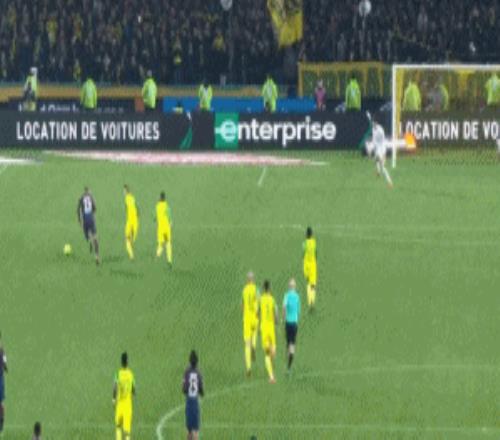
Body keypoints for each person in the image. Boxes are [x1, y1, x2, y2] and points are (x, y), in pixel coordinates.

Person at [113, 352, 135, 440]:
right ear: (127, 362)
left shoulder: (118, 374)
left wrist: (113, 399)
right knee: (127, 432)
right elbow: (133, 390)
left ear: (121, 362)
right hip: (128, 405)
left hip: (120, 404)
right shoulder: (131, 374)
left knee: (118, 426)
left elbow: (115, 387)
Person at [182, 350, 204, 440]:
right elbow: (201, 389)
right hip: (195, 402)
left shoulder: (186, 372)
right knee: (195, 430)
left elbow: (184, 389)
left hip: (188, 402)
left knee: (189, 430)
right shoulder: (198, 373)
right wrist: (201, 393)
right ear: (197, 362)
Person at [367, 116, 393, 188]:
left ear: (376, 123)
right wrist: (370, 149)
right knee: (375, 160)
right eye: (372, 123)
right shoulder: (373, 129)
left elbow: (382, 142)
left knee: (382, 167)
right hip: (377, 148)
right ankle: (378, 172)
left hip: (382, 149)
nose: (372, 124)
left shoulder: (380, 131)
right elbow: (374, 141)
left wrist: (383, 155)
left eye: (373, 123)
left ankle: (390, 182)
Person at [259, 280, 277, 383]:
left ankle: (271, 375)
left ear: (263, 288)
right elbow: (276, 312)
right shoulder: (272, 299)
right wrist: (277, 321)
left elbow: (257, 313)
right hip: (271, 327)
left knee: (267, 353)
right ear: (269, 288)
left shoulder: (260, 299)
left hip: (264, 328)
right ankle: (271, 376)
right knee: (272, 351)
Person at [77, 187, 100, 265]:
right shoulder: (91, 197)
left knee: (87, 236)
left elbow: (78, 210)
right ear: (88, 191)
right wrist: (92, 213)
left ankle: (90, 240)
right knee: (95, 237)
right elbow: (95, 208)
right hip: (91, 219)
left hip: (85, 220)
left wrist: (79, 221)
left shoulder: (81, 198)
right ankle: (97, 256)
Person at [242, 272, 259, 377]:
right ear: (253, 279)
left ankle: (248, 368)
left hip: (246, 318)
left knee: (246, 343)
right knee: (255, 333)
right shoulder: (256, 289)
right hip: (254, 317)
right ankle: (254, 345)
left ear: (247, 280)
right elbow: (259, 302)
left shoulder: (244, 290)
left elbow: (243, 305)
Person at [283, 279, 301, 371]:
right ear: (295, 287)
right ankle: (289, 366)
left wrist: (283, 317)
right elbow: (298, 311)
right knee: (292, 343)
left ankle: (287, 361)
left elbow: (284, 307)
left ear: (289, 286)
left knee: (288, 342)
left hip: (288, 322)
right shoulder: (297, 297)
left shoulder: (286, 296)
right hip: (294, 323)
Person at [155, 192, 172, 266]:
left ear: (160, 197)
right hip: (166, 227)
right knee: (168, 243)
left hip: (160, 228)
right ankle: (169, 260)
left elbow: (155, 217)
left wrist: (156, 219)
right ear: (165, 198)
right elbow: (169, 216)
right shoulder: (166, 206)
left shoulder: (157, 206)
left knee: (161, 244)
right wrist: (170, 223)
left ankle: (157, 256)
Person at [303, 227, 317, 310]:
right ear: (311, 234)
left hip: (306, 265)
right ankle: (313, 301)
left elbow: (303, 254)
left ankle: (309, 302)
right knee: (313, 285)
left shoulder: (304, 243)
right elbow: (316, 253)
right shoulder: (314, 242)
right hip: (313, 265)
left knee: (308, 283)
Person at [124, 185, 139, 260]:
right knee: (131, 240)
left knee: (127, 240)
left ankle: (131, 256)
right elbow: (137, 208)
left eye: (124, 191)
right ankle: (131, 253)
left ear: (126, 191)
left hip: (130, 221)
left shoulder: (126, 199)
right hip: (135, 221)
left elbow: (126, 208)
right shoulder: (133, 198)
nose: (123, 192)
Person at [0, 333, 7, 434]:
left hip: (0, 378)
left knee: (0, 403)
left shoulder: (2, 351)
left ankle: (1, 422)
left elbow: (5, 364)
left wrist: (4, 366)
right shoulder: (2, 351)